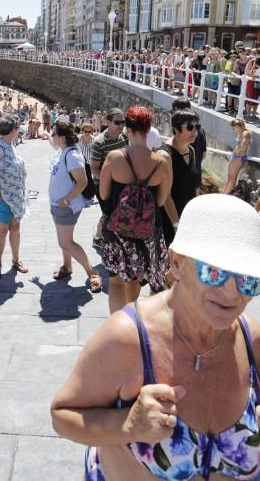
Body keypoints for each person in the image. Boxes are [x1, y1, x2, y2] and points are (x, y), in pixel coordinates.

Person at [51, 194, 260, 481]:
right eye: (214, 272)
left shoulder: (252, 339)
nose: (233, 293)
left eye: (249, 279)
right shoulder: (127, 339)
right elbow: (62, 416)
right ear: (175, 263)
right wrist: (126, 425)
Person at [97, 107, 170, 312]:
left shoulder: (114, 157)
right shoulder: (162, 162)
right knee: (137, 279)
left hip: (117, 229)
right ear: (149, 129)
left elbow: (103, 195)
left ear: (127, 129)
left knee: (117, 281)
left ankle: (118, 327)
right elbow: (161, 201)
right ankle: (134, 322)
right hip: (148, 232)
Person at [49, 121, 102, 293]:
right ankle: (67, 266)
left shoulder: (71, 155)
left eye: (54, 134)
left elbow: (82, 181)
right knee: (62, 241)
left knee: (67, 242)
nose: (52, 137)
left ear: (62, 138)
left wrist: (66, 200)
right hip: (58, 204)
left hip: (66, 205)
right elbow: (52, 142)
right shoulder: (62, 150)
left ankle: (92, 273)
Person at [0, 114, 29, 277]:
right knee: (2, 231)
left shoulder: (9, 144)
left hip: (15, 198)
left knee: (15, 229)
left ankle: (16, 260)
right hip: (3, 199)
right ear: (15, 129)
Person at [158, 109, 200, 248]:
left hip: (188, 217)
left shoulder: (191, 150)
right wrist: (176, 225)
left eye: (197, 127)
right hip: (170, 220)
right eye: (189, 127)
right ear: (176, 129)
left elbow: (194, 187)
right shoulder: (165, 155)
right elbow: (166, 196)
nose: (194, 131)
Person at [91, 109, 128, 214]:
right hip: (105, 185)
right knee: (110, 217)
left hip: (121, 184)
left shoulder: (125, 137)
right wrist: (110, 180)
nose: (121, 125)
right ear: (108, 122)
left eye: (123, 122)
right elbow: (94, 169)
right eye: (117, 122)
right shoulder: (100, 142)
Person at [223, 118, 251, 195]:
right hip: (235, 156)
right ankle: (224, 192)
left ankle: (226, 194)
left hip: (239, 157)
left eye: (234, 127)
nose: (234, 129)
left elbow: (244, 146)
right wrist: (235, 152)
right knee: (229, 176)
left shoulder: (245, 133)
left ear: (239, 126)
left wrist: (236, 151)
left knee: (232, 177)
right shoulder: (241, 133)